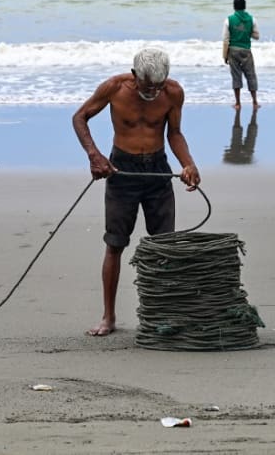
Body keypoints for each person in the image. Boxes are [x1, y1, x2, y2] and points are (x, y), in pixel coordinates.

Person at [72, 47, 201, 336]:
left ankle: (162, 314)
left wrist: (189, 164)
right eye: (146, 86)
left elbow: (174, 133)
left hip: (157, 170)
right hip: (122, 170)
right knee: (115, 244)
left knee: (164, 245)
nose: (153, 92)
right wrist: (95, 156)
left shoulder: (173, 93)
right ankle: (108, 317)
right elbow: (79, 117)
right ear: (134, 76)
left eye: (158, 86)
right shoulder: (114, 88)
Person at [221, 0, 261, 109]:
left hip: (233, 51)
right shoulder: (252, 19)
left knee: (236, 76)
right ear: (245, 7)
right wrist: (247, 32)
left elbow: (225, 39)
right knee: (251, 75)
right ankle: (255, 102)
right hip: (246, 50)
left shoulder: (229, 20)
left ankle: (238, 103)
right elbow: (257, 36)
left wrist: (225, 56)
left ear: (234, 7)